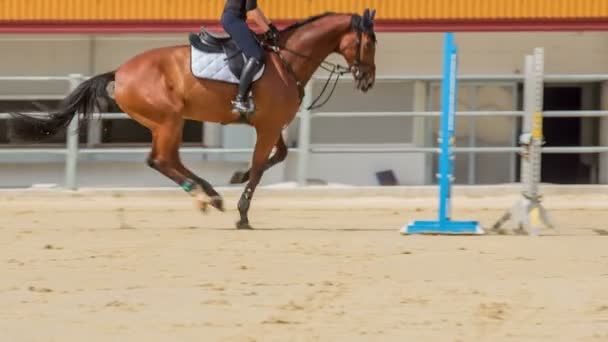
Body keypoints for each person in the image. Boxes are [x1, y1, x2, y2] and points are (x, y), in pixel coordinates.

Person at [221, 0, 279, 114]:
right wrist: (267, 30)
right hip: (233, 20)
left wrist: (270, 25)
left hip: (235, 19)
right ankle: (240, 99)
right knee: (256, 56)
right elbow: (252, 11)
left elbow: (255, 8)